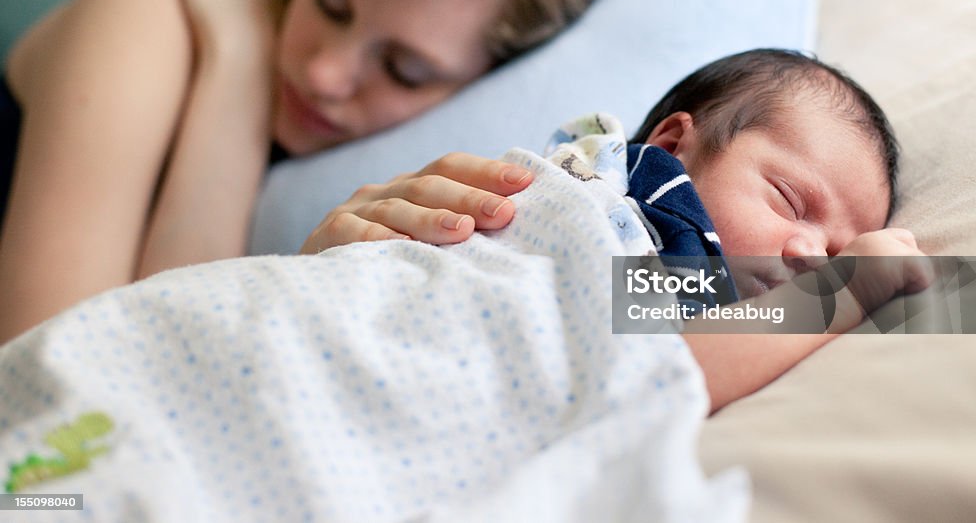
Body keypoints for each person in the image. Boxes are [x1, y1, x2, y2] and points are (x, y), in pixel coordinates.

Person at [0, 0, 642, 343]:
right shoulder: (149, 13)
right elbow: (51, 375)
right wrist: (238, 60)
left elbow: (742, 303)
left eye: (405, 70)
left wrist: (239, 58)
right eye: (332, 3)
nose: (326, 74)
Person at [305, 48, 933, 413]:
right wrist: (848, 289)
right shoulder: (614, 211)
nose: (808, 253)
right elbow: (663, 366)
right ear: (671, 144)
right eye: (789, 200)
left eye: (833, 251)